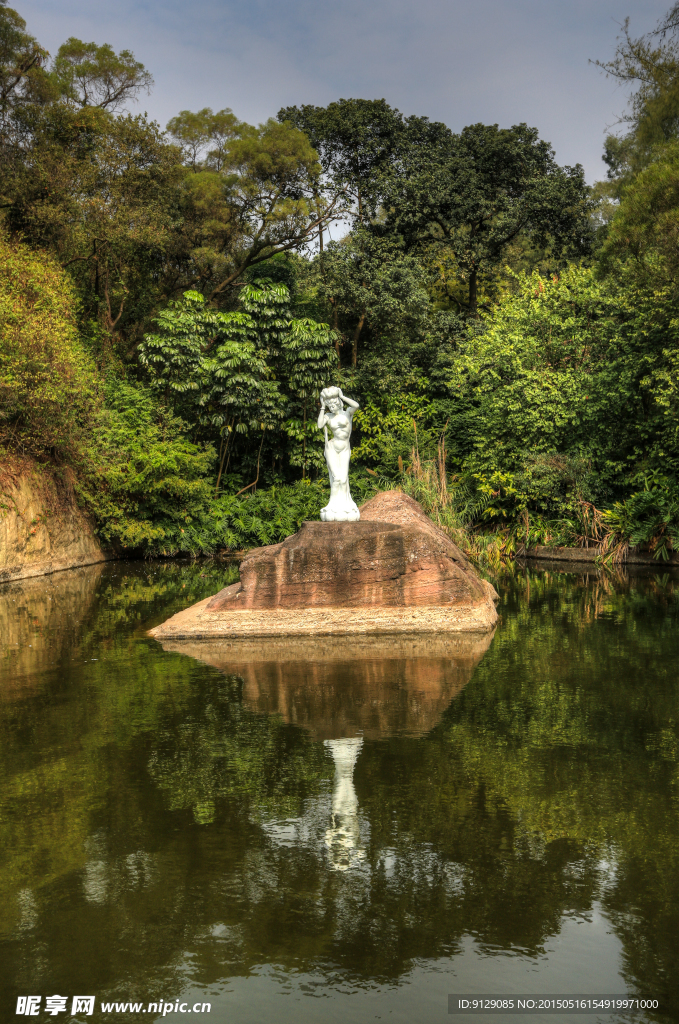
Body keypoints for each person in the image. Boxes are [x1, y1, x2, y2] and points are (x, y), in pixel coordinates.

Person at [317, 387, 360, 522]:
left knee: (343, 478)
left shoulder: (347, 413)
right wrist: (323, 407)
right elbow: (319, 425)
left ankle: (344, 505)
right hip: (332, 448)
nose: (333, 406)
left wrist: (342, 396)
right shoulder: (328, 416)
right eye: (330, 405)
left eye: (335, 404)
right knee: (336, 478)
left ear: (339, 403)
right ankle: (332, 506)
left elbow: (356, 405)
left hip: (345, 448)